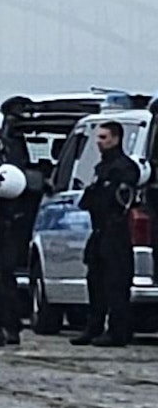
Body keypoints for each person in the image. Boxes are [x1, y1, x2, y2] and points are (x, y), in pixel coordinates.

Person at [71, 119, 139, 347]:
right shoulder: (101, 169)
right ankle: (94, 327)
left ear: (116, 139)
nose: (99, 142)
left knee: (116, 284)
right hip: (99, 231)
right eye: (97, 138)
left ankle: (117, 332)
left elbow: (119, 199)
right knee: (95, 281)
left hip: (116, 232)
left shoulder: (124, 168)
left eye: (103, 138)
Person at [0, 98, 39, 347]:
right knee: (3, 276)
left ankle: (2, 327)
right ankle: (9, 326)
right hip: (6, 218)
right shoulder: (9, 145)